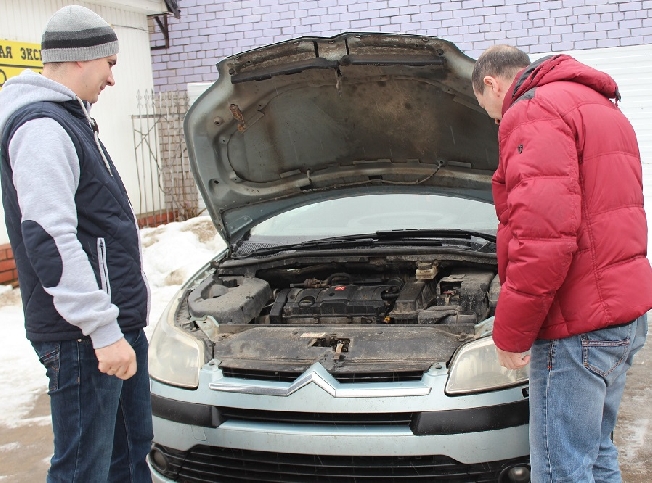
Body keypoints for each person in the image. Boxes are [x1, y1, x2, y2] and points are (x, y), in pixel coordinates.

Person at [471, 45, 652, 482]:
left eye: (486, 109)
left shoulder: (533, 110)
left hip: (577, 326)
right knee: (596, 453)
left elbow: (544, 238)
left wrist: (512, 334)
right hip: (622, 317)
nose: (494, 119)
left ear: (493, 84)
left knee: (560, 470)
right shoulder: (599, 106)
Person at [0, 5, 152, 482]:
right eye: (110, 64)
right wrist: (103, 332)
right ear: (83, 58)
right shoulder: (43, 128)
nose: (112, 78)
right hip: (84, 339)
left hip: (111, 328)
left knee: (128, 455)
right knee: (83, 469)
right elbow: (50, 238)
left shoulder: (71, 119)